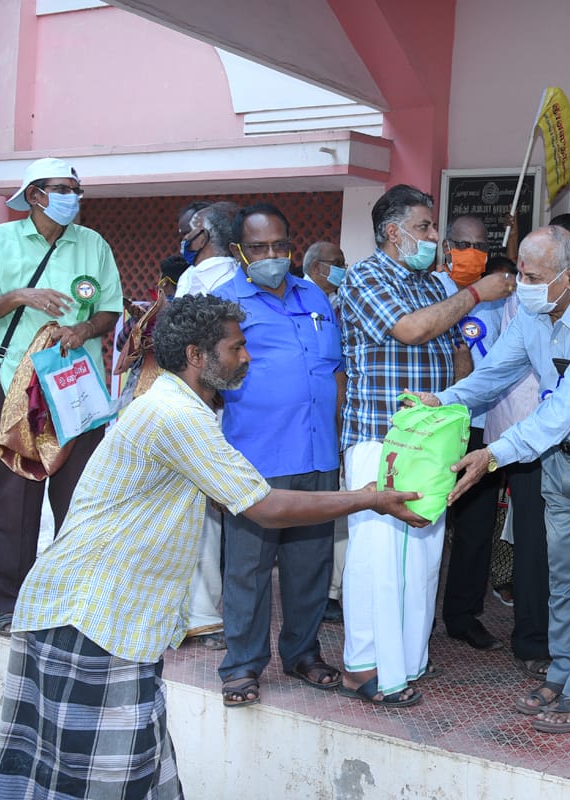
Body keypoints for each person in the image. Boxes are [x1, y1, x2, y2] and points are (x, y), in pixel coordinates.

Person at [0, 294, 426, 800]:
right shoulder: (177, 415)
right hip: (89, 616)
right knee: (93, 782)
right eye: (237, 347)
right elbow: (265, 506)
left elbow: (232, 495)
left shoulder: (178, 406)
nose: (247, 357)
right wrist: (370, 498)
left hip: (105, 617)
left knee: (129, 774)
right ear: (196, 355)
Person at [420, 225, 570, 733]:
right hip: (559, 456)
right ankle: (564, 669)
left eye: (532, 276)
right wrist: (444, 399)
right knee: (562, 571)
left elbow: (565, 407)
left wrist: (493, 454)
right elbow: (495, 374)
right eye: (521, 273)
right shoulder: (531, 311)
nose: (520, 284)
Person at [337, 184, 514, 707]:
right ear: (393, 233)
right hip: (382, 439)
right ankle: (365, 666)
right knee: (377, 558)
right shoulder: (366, 276)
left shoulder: (431, 283)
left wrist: (457, 400)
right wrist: (476, 293)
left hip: (430, 443)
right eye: (425, 227)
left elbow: (454, 351)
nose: (435, 236)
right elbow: (411, 330)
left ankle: (408, 659)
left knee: (421, 559)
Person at [0, 157, 123, 637]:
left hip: (78, 388)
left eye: (76, 190)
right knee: (14, 498)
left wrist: (84, 329)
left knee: (80, 497)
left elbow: (109, 309)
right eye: (63, 189)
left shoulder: (93, 244)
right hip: (17, 386)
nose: (73, 198)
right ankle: (10, 603)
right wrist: (21, 296)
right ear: (36, 195)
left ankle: (71, 599)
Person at [210, 203, 345, 706]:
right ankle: (242, 666)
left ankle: (303, 653)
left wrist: (339, 438)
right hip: (256, 458)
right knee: (248, 569)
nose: (272, 255)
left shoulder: (315, 296)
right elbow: (206, 379)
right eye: (259, 247)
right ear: (239, 252)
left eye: (280, 245)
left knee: (310, 564)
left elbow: (334, 369)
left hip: (317, 452)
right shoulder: (223, 303)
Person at [481, 255, 553, 681]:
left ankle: (565, 635)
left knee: (568, 548)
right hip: (526, 441)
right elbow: (498, 372)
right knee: (534, 544)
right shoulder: (521, 307)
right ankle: (532, 641)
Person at [174, 201, 241, 649]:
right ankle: (208, 612)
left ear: (205, 233)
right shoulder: (242, 275)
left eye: (189, 231)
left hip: (203, 399)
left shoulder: (196, 279)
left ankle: (199, 614)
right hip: (231, 404)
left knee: (199, 509)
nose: (184, 238)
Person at [442, 215, 508, 652]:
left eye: (481, 246)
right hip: (437, 425)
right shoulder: (432, 291)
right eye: (464, 245)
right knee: (424, 522)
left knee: (476, 528)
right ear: (447, 247)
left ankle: (463, 616)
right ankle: (414, 616)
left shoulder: (501, 299)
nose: (472, 253)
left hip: (484, 426)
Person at [301, 239, 348, 620]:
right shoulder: (303, 303)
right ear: (317, 267)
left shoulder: (334, 305)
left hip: (328, 426)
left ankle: (327, 592)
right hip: (306, 426)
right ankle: (317, 595)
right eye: (338, 262)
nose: (343, 269)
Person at [175, 202, 239, 298]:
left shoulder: (224, 282)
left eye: (189, 231)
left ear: (202, 238)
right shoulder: (189, 274)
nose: (185, 238)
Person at [303, 240, 347, 308]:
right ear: (316, 267)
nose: (343, 269)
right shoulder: (297, 298)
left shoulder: (336, 301)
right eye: (337, 263)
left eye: (343, 265)